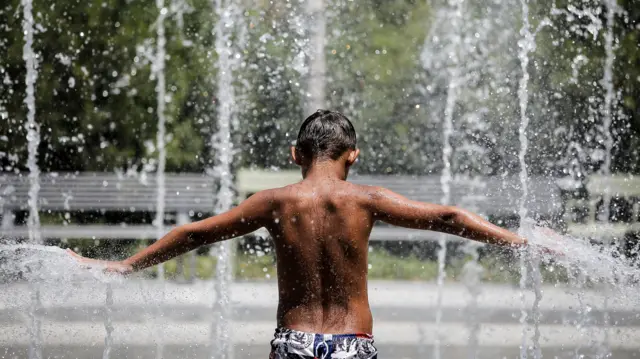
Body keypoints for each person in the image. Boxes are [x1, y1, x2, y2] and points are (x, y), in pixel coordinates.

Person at [69, 110, 528, 359]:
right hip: (353, 345)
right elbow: (448, 217)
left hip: (294, 343)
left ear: (295, 154)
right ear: (353, 156)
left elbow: (193, 235)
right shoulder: (366, 199)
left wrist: (124, 265)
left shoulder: (275, 202)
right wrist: (520, 242)